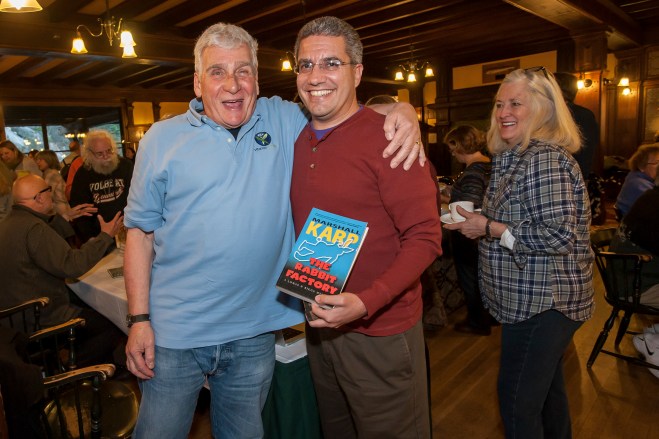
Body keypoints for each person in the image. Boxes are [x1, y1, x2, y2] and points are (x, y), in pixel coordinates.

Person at [123, 22, 423, 439]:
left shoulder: (284, 118)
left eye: (243, 71)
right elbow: (139, 233)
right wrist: (139, 319)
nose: (232, 85)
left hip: (254, 333)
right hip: (176, 333)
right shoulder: (160, 139)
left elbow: (341, 106)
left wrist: (402, 111)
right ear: (197, 82)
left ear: (258, 81)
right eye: (217, 72)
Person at [290, 17, 442, 438]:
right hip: (320, 324)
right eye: (305, 65)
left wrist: (366, 301)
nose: (315, 76)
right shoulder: (297, 138)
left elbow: (426, 237)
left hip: (380, 332)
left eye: (331, 63)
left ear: (357, 72)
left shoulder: (390, 138)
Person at [444, 67, 593, 438]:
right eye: (499, 104)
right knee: (548, 396)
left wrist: (489, 228)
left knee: (517, 405)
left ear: (543, 108)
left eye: (515, 104)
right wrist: (480, 219)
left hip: (542, 303)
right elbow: (524, 217)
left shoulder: (544, 158)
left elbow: (559, 235)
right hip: (531, 299)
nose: (503, 112)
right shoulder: (516, 156)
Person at [0, 175, 124, 366]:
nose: (51, 195)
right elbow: (72, 265)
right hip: (39, 317)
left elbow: (40, 249)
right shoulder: (35, 228)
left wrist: (65, 218)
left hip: (13, 318)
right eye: (48, 190)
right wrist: (105, 236)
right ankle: (72, 369)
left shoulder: (9, 223)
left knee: (86, 300)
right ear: (39, 197)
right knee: (114, 324)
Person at [442, 125, 493, 335]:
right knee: (484, 278)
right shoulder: (489, 165)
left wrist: (446, 201)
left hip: (469, 236)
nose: (452, 153)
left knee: (471, 279)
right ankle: (489, 317)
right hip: (487, 234)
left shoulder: (473, 172)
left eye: (452, 147)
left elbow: (468, 207)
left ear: (461, 145)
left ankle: (477, 322)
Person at [69, 130, 133, 243]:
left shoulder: (126, 166)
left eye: (109, 151)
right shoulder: (83, 174)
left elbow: (138, 198)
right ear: (89, 154)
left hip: (129, 230)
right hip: (98, 236)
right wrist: (89, 238)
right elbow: (80, 211)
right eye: (99, 154)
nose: (106, 156)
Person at [35, 150, 97, 223]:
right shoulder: (50, 173)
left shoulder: (51, 174)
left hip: (59, 212)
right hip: (61, 211)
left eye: (40, 159)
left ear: (48, 159)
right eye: (37, 160)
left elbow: (46, 195)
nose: (37, 162)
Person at [615, 143, 659, 217]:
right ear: (641, 166)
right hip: (636, 223)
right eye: (656, 162)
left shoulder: (636, 176)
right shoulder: (638, 184)